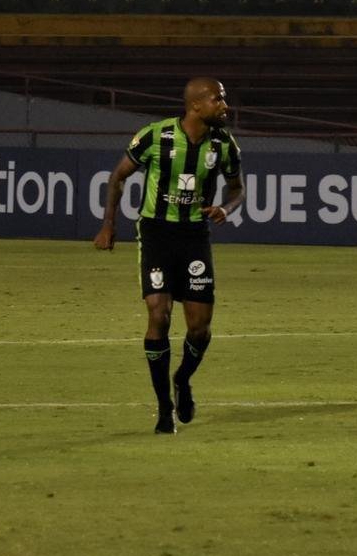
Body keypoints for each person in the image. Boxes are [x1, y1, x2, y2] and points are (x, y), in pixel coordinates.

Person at [94, 77, 245, 434]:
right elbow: (118, 177)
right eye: (218, 100)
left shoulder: (223, 143)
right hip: (157, 233)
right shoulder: (154, 136)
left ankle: (183, 378)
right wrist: (108, 225)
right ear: (195, 105)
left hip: (194, 236)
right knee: (159, 315)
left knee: (199, 328)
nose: (225, 106)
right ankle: (164, 408)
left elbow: (237, 187)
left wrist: (227, 207)